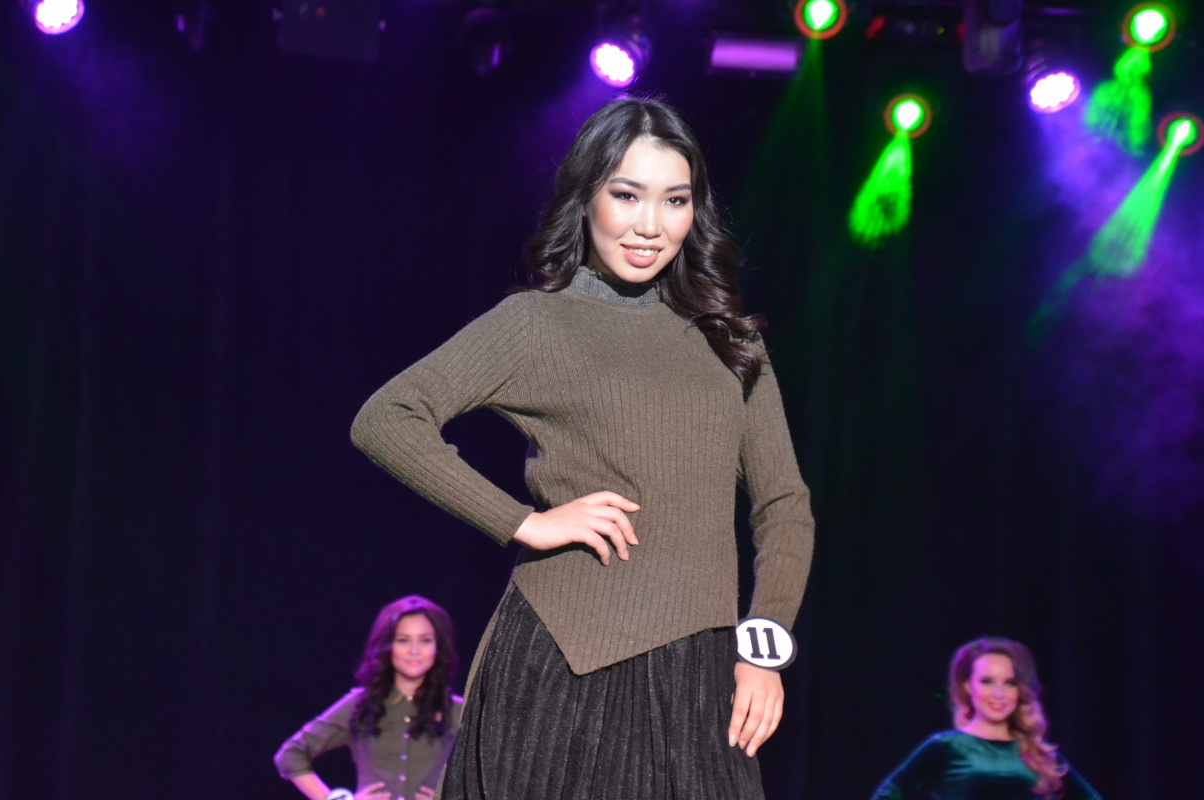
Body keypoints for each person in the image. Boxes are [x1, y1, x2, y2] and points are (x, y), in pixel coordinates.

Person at [350, 96, 815, 800]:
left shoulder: (729, 340)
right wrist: (524, 522)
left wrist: (764, 647)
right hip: (563, 662)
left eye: (675, 200)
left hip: (700, 675)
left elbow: (784, 506)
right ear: (586, 196)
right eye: (626, 195)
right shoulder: (537, 323)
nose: (650, 224)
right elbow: (387, 418)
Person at [274, 596, 463, 800]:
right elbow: (291, 755)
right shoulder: (360, 705)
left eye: (425, 640)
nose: (414, 650)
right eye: (403, 640)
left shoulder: (458, 711)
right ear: (388, 646)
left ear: (438, 647)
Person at [870, 637, 1103, 800]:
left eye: (1009, 683)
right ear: (967, 685)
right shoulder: (945, 747)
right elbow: (889, 794)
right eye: (987, 681)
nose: (999, 694)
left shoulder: (1037, 755)